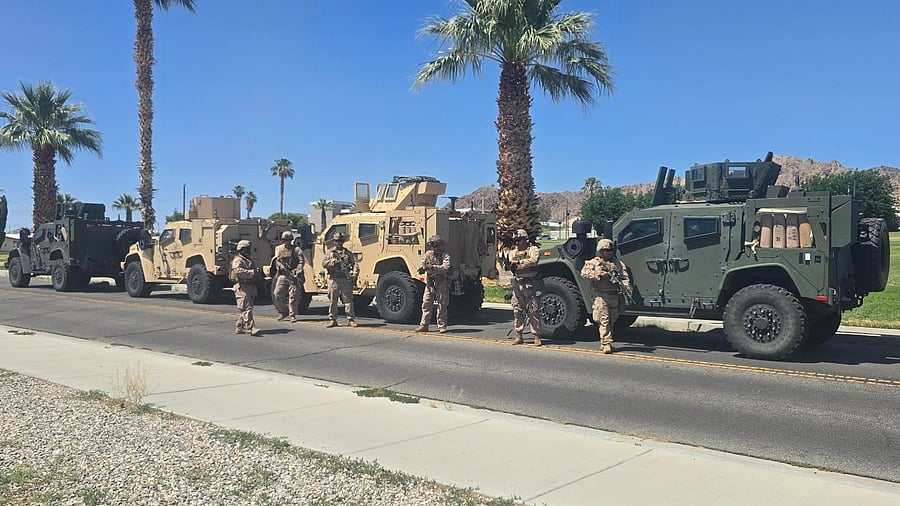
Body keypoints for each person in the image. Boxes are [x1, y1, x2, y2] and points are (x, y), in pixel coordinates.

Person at [580, 238, 631, 354]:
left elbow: (624, 277)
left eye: (610, 250)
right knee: (604, 319)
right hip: (600, 294)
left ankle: (606, 341)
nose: (608, 252)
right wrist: (599, 274)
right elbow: (584, 273)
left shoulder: (617, 263)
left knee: (612, 319)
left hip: (613, 294)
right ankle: (606, 343)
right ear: (601, 251)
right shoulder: (594, 262)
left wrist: (625, 285)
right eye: (606, 250)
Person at [504, 229, 543, 346]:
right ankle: (519, 335)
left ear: (525, 239)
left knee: (534, 310)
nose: (516, 243)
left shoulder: (533, 250)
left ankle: (536, 336)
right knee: (517, 310)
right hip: (518, 284)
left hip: (530, 284)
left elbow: (533, 261)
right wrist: (510, 264)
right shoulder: (512, 252)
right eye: (515, 240)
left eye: (519, 240)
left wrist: (518, 263)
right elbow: (509, 265)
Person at [415, 235, 452, 333]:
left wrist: (433, 268)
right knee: (426, 303)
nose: (436, 249)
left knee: (442, 304)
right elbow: (423, 263)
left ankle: (442, 325)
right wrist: (422, 268)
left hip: (441, 281)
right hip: (430, 282)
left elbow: (446, 268)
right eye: (434, 246)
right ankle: (424, 325)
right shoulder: (428, 254)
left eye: (437, 246)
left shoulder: (445, 255)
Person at [322, 233, 359, 328]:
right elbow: (324, 263)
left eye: (341, 241)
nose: (339, 243)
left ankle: (350, 319)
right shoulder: (330, 252)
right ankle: (332, 319)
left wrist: (354, 274)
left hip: (345, 278)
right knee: (333, 300)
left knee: (348, 300)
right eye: (337, 241)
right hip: (334, 278)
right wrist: (334, 262)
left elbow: (355, 263)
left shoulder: (347, 253)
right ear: (334, 242)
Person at [272, 231, 305, 323]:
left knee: (293, 296)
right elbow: (276, 260)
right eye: (285, 240)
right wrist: (279, 265)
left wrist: (298, 269)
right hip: (282, 275)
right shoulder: (278, 249)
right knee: (277, 294)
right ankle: (283, 312)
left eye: (288, 240)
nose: (287, 242)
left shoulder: (296, 249)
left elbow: (301, 261)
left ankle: (292, 314)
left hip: (293, 276)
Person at [231, 240, 261, 336]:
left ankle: (240, 327)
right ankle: (251, 327)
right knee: (246, 308)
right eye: (247, 249)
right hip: (241, 286)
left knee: (246, 308)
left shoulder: (247, 260)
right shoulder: (238, 260)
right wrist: (251, 273)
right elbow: (238, 271)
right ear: (242, 250)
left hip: (249, 286)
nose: (249, 251)